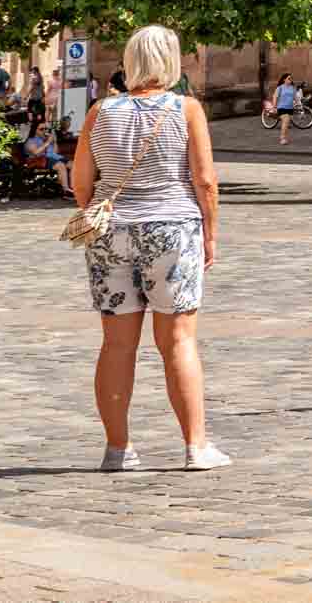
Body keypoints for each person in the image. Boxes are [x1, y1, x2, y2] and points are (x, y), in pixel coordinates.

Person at [71, 25, 227, 471]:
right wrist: (211, 232)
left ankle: (118, 449)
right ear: (171, 61)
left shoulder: (100, 112)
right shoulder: (186, 108)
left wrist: (101, 212)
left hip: (110, 232)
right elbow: (205, 181)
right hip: (172, 229)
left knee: (116, 345)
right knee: (178, 341)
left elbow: (82, 182)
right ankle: (196, 447)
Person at [272, 72, 301, 147]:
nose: (290, 80)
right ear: (284, 79)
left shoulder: (292, 88)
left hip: (290, 108)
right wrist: (274, 106)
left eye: (291, 78)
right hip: (281, 107)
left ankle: (284, 136)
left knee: (286, 123)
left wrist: (298, 104)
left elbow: (296, 97)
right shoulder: (280, 88)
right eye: (289, 78)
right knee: (286, 121)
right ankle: (282, 138)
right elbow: (275, 97)